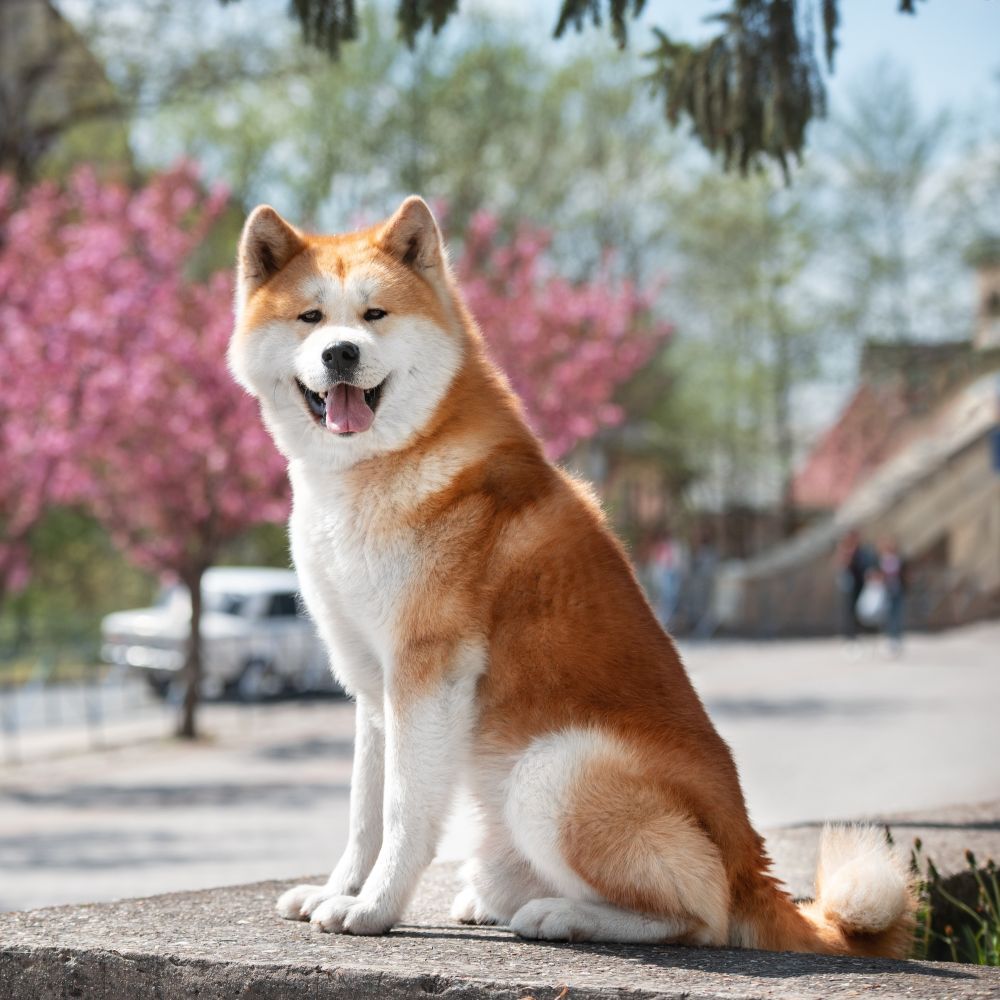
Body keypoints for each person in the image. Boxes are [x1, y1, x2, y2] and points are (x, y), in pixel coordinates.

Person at [834, 529, 872, 641]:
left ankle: (858, 630)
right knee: (849, 609)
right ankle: (849, 633)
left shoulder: (862, 550)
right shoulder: (846, 549)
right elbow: (842, 564)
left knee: (858, 609)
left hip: (860, 583)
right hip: (850, 583)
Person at [876, 537, 907, 655]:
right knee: (887, 615)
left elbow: (905, 573)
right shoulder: (880, 560)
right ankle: (889, 638)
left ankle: (897, 638)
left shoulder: (899, 559)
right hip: (885, 591)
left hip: (897, 590)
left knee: (897, 615)